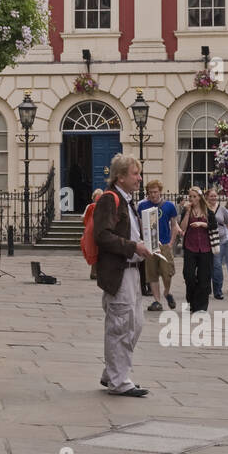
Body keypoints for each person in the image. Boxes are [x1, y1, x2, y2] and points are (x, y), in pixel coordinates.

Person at [93, 154, 151, 397]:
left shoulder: (128, 201)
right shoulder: (110, 199)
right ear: (121, 176)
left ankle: (112, 372)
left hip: (133, 271)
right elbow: (102, 235)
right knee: (120, 326)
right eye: (135, 174)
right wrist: (132, 247)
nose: (139, 178)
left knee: (135, 324)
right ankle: (119, 381)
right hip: (119, 272)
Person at [137, 179, 179, 311]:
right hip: (150, 244)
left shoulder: (169, 206)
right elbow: (140, 225)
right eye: (150, 192)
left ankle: (166, 292)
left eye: (155, 192)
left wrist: (171, 242)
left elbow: (174, 225)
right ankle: (157, 301)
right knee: (152, 274)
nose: (153, 195)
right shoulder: (143, 206)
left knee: (167, 273)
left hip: (164, 243)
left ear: (160, 191)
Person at [179, 187, 217, 316]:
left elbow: (214, 225)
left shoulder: (207, 211)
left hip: (205, 248)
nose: (192, 199)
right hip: (190, 246)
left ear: (200, 197)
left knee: (204, 278)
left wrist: (202, 224)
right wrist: (188, 212)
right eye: (190, 196)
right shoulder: (187, 210)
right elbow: (182, 228)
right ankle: (191, 301)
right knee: (188, 275)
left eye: (194, 196)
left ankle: (201, 306)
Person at [204, 189, 227, 300]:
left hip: (220, 240)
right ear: (207, 197)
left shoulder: (222, 209)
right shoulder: (203, 209)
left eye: (215, 196)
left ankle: (218, 290)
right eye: (211, 196)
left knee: (217, 265)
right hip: (206, 239)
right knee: (207, 265)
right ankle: (207, 288)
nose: (213, 198)